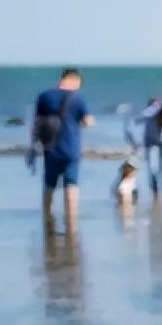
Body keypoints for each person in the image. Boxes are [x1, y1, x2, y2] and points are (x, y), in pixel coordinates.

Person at [30, 68, 94, 229]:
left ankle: (47, 220)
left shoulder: (44, 97)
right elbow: (87, 121)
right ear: (75, 80)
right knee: (71, 186)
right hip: (71, 148)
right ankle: (72, 224)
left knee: (49, 186)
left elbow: (37, 123)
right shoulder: (78, 98)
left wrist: (34, 145)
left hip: (50, 147)